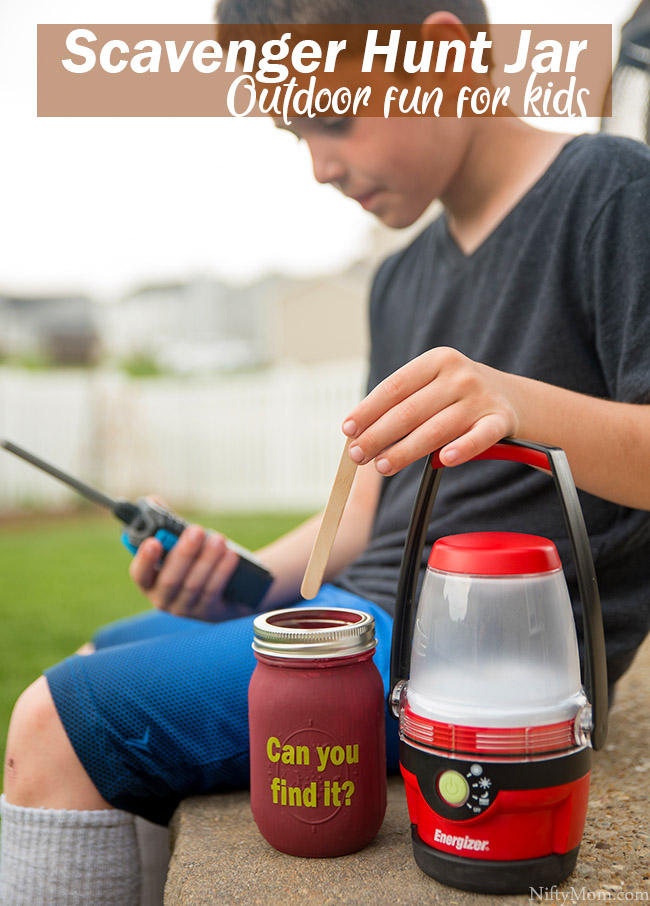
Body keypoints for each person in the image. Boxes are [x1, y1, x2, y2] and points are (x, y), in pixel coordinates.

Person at [3, 2, 650, 904]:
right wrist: (245, 576)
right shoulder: (400, 277)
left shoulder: (611, 190)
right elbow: (373, 506)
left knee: (55, 722)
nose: (318, 165)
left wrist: (520, 403)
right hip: (365, 609)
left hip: (482, 657)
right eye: (292, 129)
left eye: (332, 118)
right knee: (89, 662)